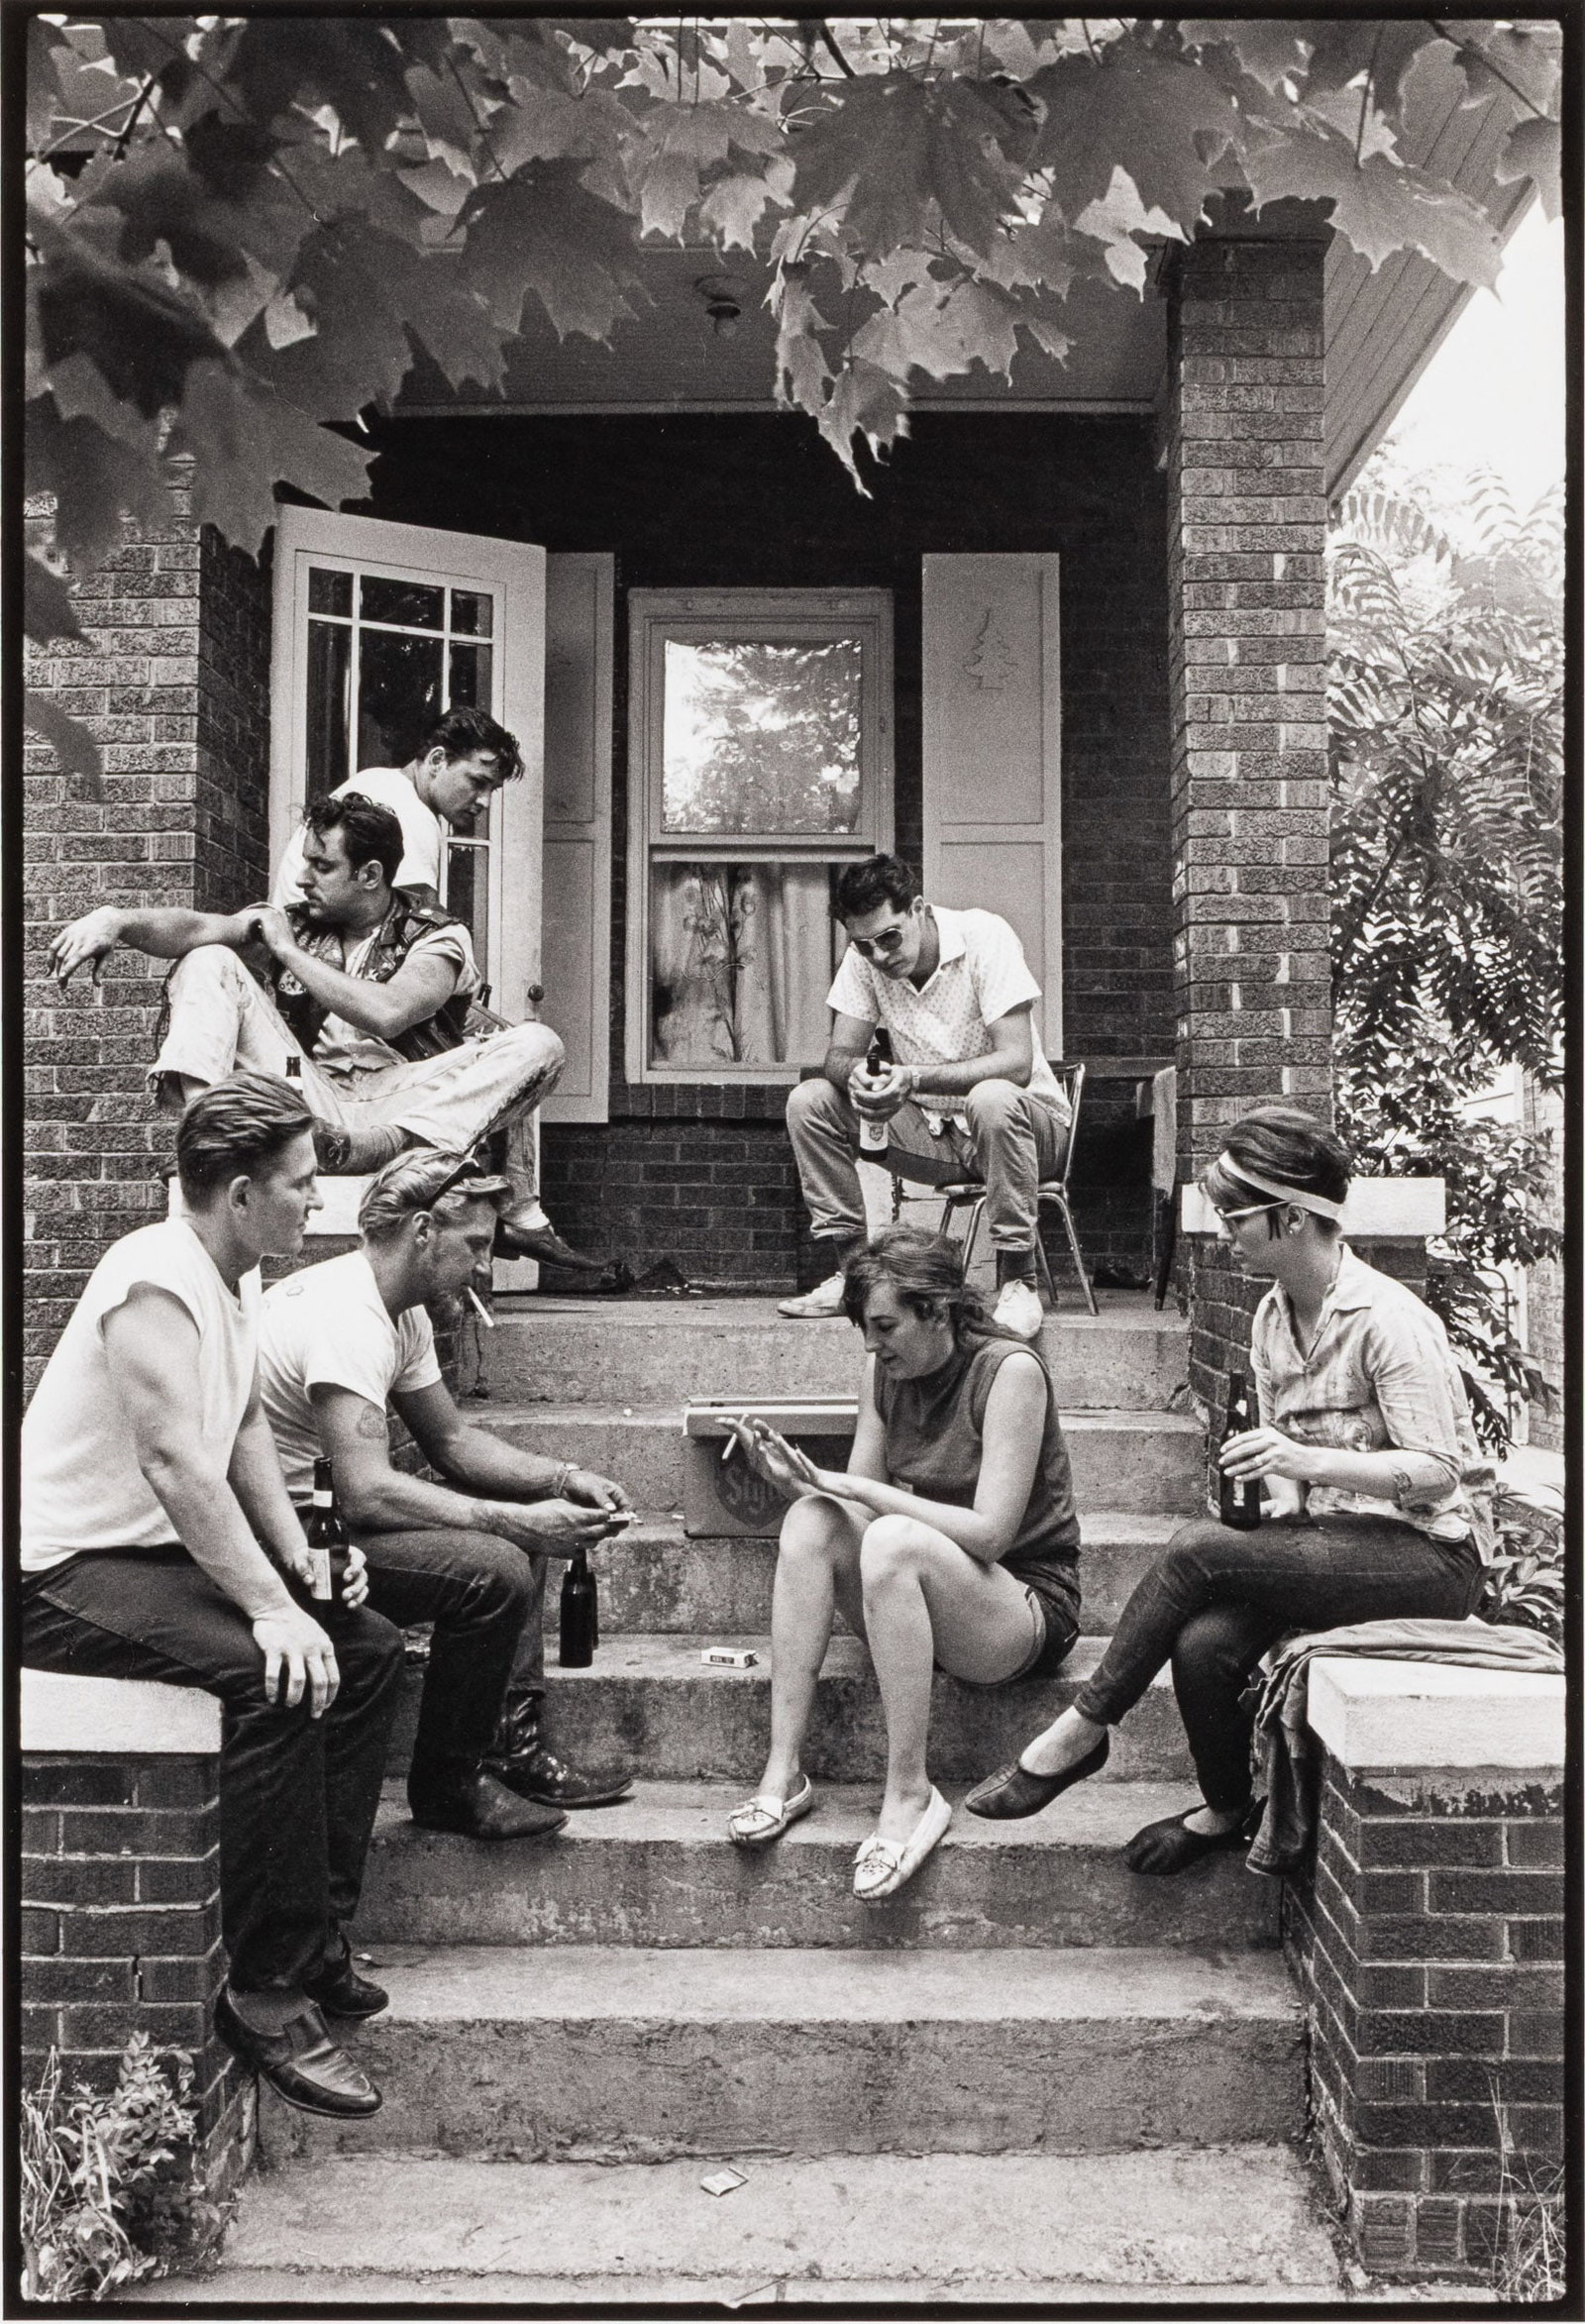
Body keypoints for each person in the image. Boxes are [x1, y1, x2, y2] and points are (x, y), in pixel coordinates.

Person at [966, 1105, 1494, 1872]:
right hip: (1342, 1543)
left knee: (1195, 1550)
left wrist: (1308, 1464)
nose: (1221, 1233)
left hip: (1432, 1557)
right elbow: (1287, 1456)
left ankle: (1081, 1731)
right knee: (1202, 1644)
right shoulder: (1273, 1317)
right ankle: (1224, 1807)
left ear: (1292, 1217)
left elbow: (1439, 1471)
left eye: (1235, 1216)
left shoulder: (1388, 1320)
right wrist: (1287, 1491)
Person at [21, 1074, 404, 2120]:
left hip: (147, 1557)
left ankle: (313, 1933)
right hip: (59, 1571)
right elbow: (173, 1462)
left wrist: (299, 1563)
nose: (315, 1201)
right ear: (240, 1194)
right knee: (273, 1675)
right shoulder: (152, 1277)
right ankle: (266, 1990)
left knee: (364, 1646)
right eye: (300, 1183)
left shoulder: (235, 1276)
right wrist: (272, 1612)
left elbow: (238, 1430)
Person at [49, 790, 597, 1272]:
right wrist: (117, 920)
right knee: (207, 958)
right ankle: (211, 1136)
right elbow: (196, 927)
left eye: (321, 865)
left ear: (370, 875)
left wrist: (286, 951)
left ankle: (384, 1147)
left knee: (539, 1044)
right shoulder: (296, 919)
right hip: (310, 1103)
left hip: (401, 1103)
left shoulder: (437, 935)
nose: (303, 877)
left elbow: (389, 1012)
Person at [258, 1147, 636, 1830]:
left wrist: (562, 1478)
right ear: (424, 1230)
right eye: (477, 1245)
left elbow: (453, 1442)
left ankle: (511, 1749)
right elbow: (367, 1491)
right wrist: (513, 1523)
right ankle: (449, 1788)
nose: (486, 1267)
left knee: (517, 1520)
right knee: (494, 1567)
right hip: (288, 1544)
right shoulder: (347, 1316)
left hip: (330, 1526)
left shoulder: (398, 1310)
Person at [729, 1226, 1081, 1900]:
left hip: (1024, 1605)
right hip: (931, 1592)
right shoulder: (883, 1372)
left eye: (885, 1326)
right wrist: (795, 1484)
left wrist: (856, 1490)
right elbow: (853, 1507)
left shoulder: (1011, 1370)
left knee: (892, 1538)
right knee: (811, 1519)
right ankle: (783, 1771)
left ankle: (911, 1793)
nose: (871, 1344)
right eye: (864, 1328)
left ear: (938, 1310)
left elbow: (990, 1535)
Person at [779, 855, 1072, 1341]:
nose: (878, 955)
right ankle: (854, 1277)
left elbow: (1016, 1062)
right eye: (864, 945)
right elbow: (838, 1056)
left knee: (991, 1098)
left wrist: (911, 1078)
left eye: (889, 938)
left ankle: (1019, 1281)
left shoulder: (984, 935)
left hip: (1026, 1132)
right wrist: (861, 1077)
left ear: (918, 908)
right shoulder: (866, 957)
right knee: (810, 1101)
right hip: (938, 1134)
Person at [271, 704, 522, 909]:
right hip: (314, 943)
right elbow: (421, 924)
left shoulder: (377, 780)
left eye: (492, 790)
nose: (484, 801)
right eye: (478, 782)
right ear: (437, 760)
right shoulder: (411, 811)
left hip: (302, 939)